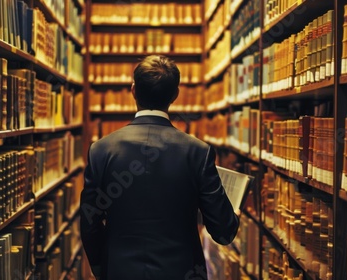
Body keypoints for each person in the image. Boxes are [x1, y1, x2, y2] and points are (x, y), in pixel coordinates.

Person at [80, 55, 240, 280]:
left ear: (133, 90)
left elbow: (89, 222)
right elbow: (223, 233)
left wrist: (101, 267)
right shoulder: (198, 152)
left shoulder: (100, 150)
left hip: (119, 271)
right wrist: (231, 215)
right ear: (175, 95)